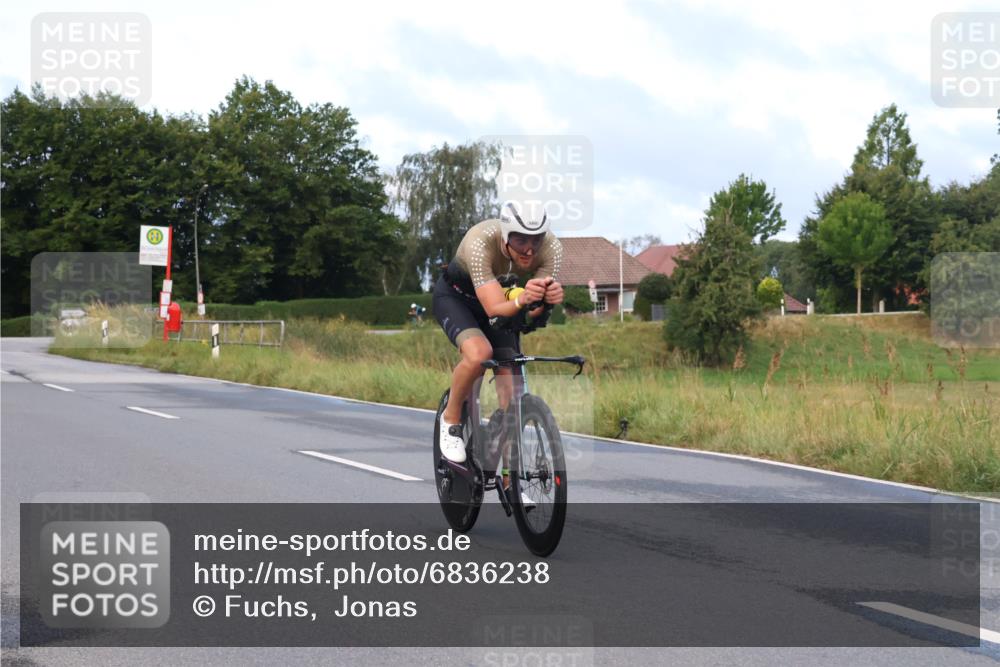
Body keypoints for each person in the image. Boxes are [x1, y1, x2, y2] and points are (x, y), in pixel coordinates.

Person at [432, 201, 564, 464]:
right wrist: (524, 299)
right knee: (480, 354)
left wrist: (546, 302)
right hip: (459, 300)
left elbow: (532, 315)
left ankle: (510, 483)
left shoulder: (552, 250)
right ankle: (451, 418)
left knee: (512, 393)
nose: (528, 250)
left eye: (535, 240)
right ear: (505, 236)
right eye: (519, 240)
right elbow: (494, 308)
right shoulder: (480, 240)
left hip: (506, 301)